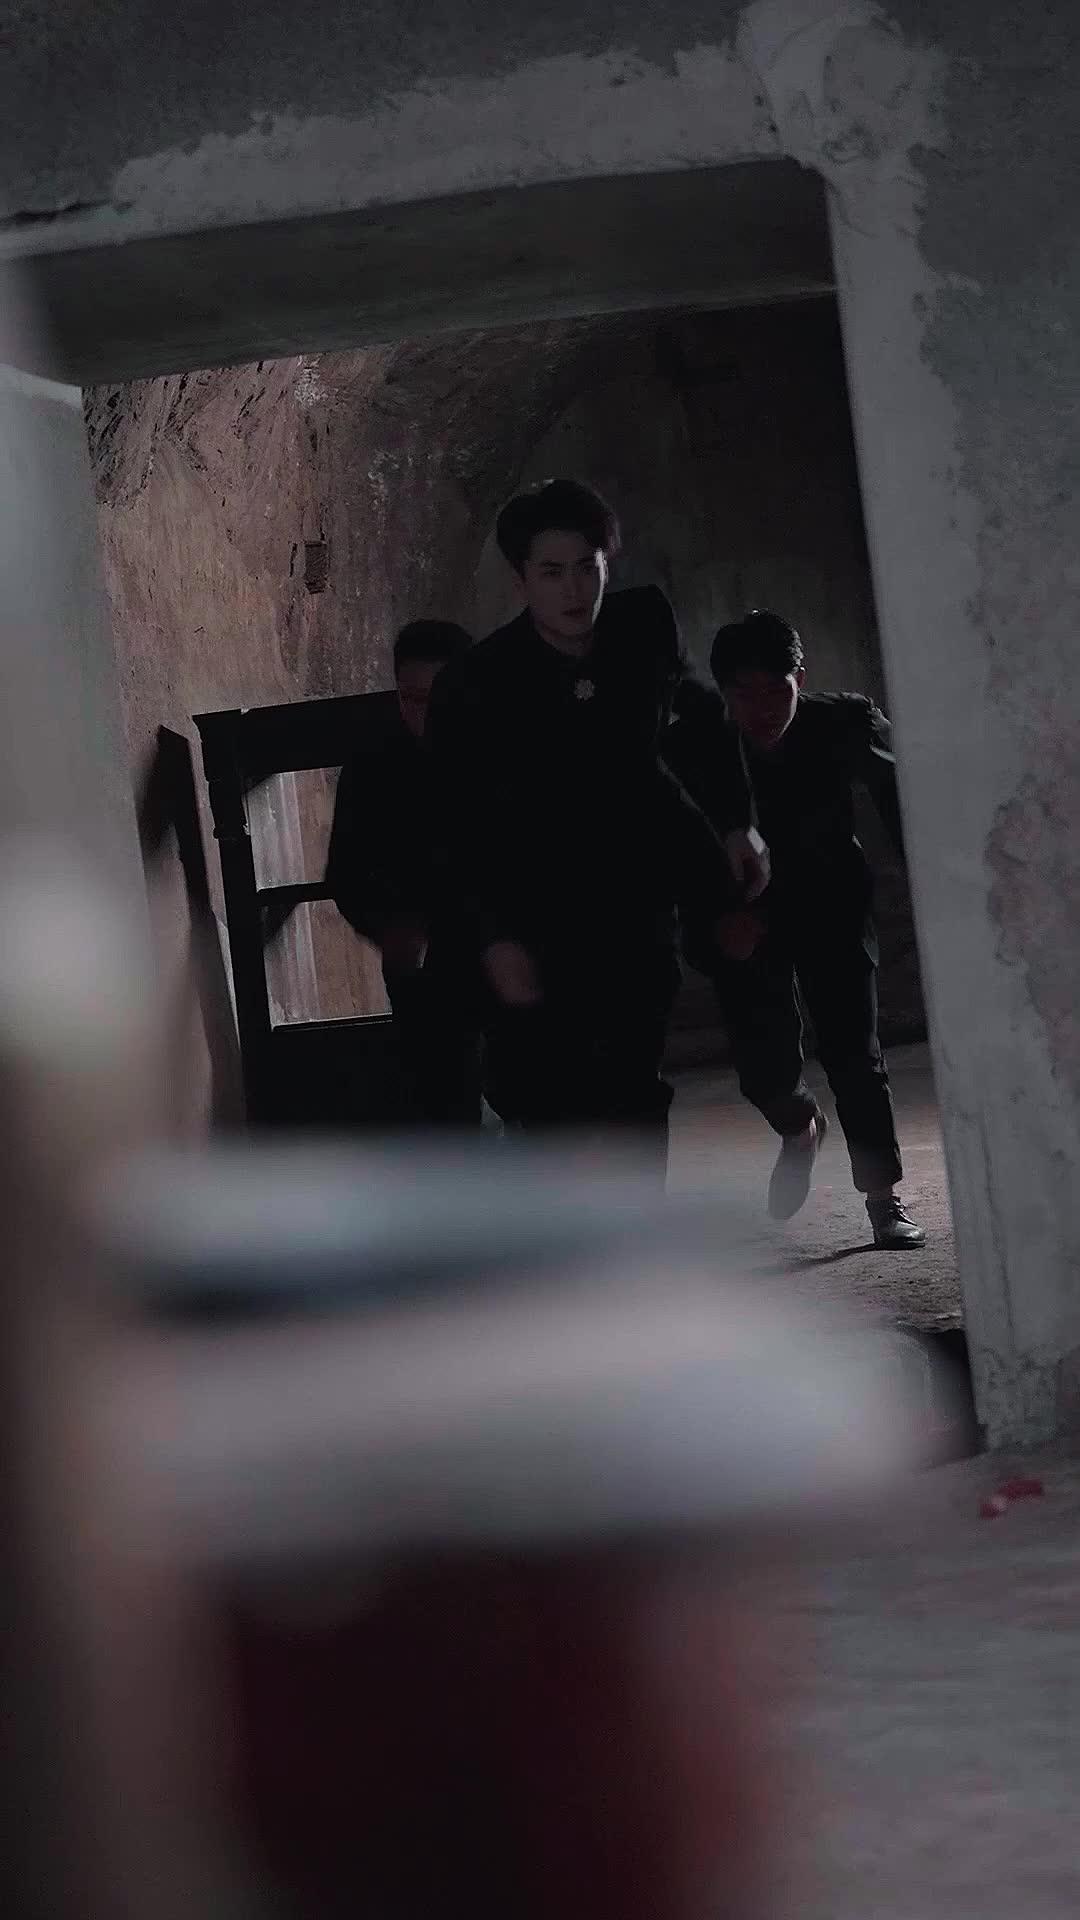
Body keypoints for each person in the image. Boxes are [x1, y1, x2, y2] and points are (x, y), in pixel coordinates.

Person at [426, 479, 744, 1170]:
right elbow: (458, 827)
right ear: (521, 580)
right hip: (534, 916)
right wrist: (496, 939)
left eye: (586, 568)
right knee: (549, 1109)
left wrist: (737, 824)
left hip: (635, 908)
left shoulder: (643, 626)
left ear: (606, 564)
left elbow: (703, 718)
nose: (574, 590)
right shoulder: (478, 683)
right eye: (551, 572)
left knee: (635, 1094)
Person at [664, 610, 925, 1249]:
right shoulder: (689, 747)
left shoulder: (845, 722)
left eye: (776, 690)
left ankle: (883, 1198)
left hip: (831, 905)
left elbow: (910, 803)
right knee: (764, 1067)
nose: (762, 709)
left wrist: (935, 895)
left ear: (801, 680)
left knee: (854, 1053)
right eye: (743, 694)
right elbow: (669, 849)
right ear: (722, 695)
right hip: (741, 917)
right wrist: (714, 921)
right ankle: (800, 1127)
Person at [326, 618, 482, 1127]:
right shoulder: (374, 766)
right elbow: (346, 874)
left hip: (506, 946)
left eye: (441, 699)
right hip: (426, 964)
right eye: (411, 699)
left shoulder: (507, 753)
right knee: (444, 1098)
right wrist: (391, 928)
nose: (426, 714)